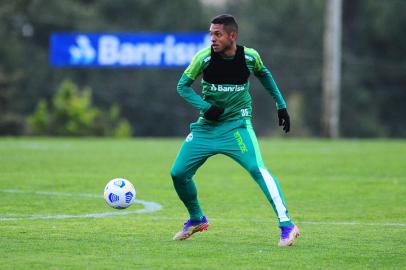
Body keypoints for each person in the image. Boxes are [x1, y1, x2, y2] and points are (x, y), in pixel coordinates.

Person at [170, 14, 299, 247]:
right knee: (178, 173)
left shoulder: (250, 57)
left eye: (218, 34)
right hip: (206, 128)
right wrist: (205, 107)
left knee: (257, 169)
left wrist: (281, 105)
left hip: (237, 127)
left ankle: (287, 225)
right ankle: (197, 219)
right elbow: (182, 86)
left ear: (232, 36)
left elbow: (265, 75)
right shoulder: (204, 58)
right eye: (211, 34)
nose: (213, 39)